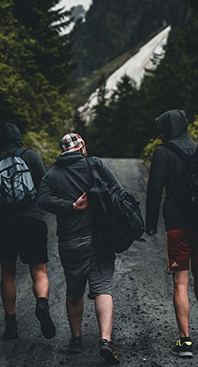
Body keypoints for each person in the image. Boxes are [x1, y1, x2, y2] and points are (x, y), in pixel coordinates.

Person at [145, 109, 198, 358]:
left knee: (180, 280)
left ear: (167, 129)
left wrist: (150, 223)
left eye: (160, 128)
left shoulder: (162, 153)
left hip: (178, 224)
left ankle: (185, 341)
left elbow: (154, 190)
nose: (159, 133)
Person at [38, 133, 121, 365]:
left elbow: (41, 200)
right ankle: (105, 340)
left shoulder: (52, 174)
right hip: (99, 239)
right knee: (103, 288)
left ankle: (76, 339)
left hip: (69, 242)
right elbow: (117, 191)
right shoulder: (95, 165)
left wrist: (70, 206)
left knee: (74, 292)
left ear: (63, 151)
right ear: (82, 145)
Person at [0, 123, 55, 340]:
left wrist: (3, 211)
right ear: (19, 138)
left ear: (0, 140)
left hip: (6, 223)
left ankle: (11, 325)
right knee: (39, 270)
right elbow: (45, 186)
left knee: (8, 272)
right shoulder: (31, 156)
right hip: (32, 221)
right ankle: (41, 303)